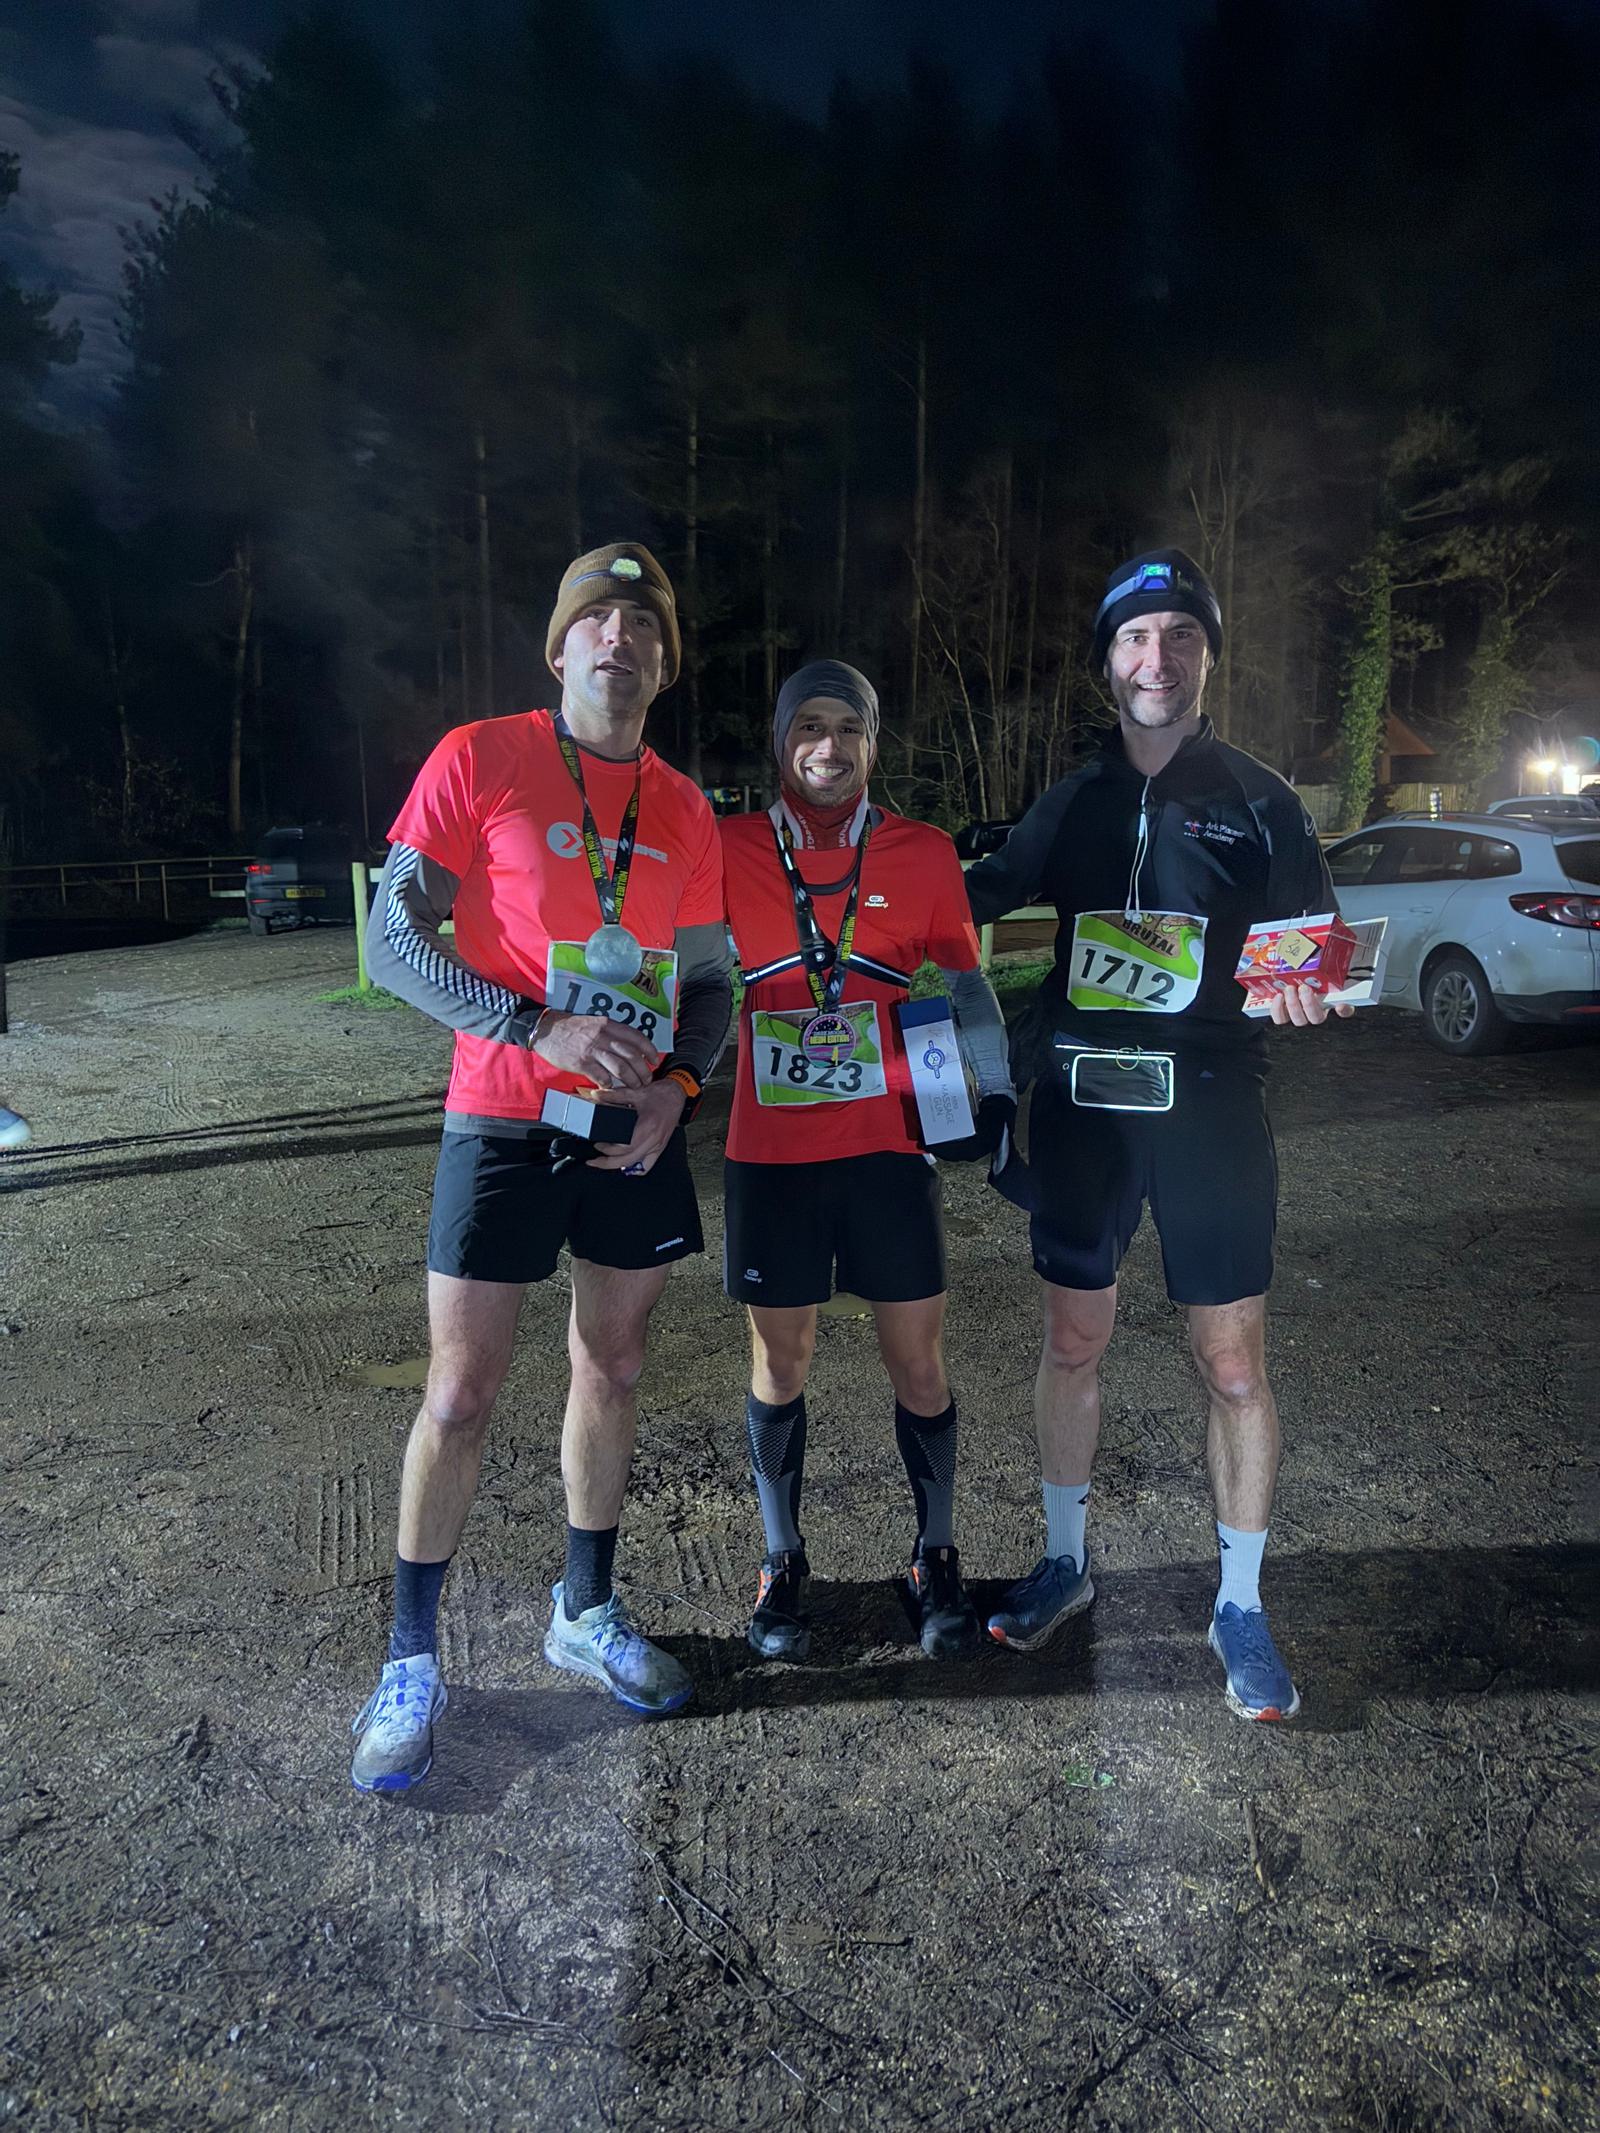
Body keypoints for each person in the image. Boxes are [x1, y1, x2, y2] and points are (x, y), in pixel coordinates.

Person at [349, 542, 732, 1792]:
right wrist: (533, 1026)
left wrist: (680, 1087)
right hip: (505, 1117)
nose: (620, 639)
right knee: (459, 1394)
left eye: (643, 626)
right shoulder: (482, 757)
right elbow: (392, 937)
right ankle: (410, 1660)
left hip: (630, 1126)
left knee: (612, 1367)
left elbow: (714, 980)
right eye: (598, 620)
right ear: (560, 648)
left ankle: (585, 1611)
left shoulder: (682, 807)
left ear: (663, 664)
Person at [965, 549, 1350, 1722]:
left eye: (1181, 634)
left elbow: (1319, 949)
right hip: (1085, 1106)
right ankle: (1066, 1563)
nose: (1158, 655)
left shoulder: (1257, 797)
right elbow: (967, 894)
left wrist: (1311, 989)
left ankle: (1239, 1602)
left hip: (1213, 1109)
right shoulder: (1069, 800)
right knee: (1072, 1341)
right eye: (1136, 638)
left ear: (1205, 660)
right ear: (1107, 664)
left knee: (1231, 1363)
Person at [720, 660, 1015, 1661]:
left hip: (891, 1147)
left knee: (916, 1360)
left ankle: (934, 1555)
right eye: (809, 726)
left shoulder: (924, 852)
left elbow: (967, 991)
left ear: (873, 744)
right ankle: (780, 1560)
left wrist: (998, 1087)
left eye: (850, 728)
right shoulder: (723, 850)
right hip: (770, 1154)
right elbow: (677, 973)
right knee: (780, 1357)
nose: (829, 748)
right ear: (779, 740)